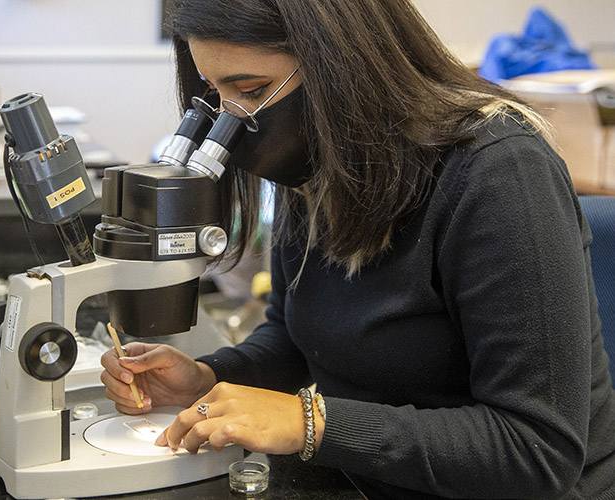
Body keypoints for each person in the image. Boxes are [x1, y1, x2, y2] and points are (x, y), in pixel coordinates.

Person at [100, 1, 615, 498]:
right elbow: (296, 337)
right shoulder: (320, 162)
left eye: (252, 90)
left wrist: (310, 423)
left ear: (341, 65)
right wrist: (208, 378)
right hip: (362, 479)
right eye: (214, 97)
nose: (233, 126)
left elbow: (536, 450)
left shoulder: (499, 173)